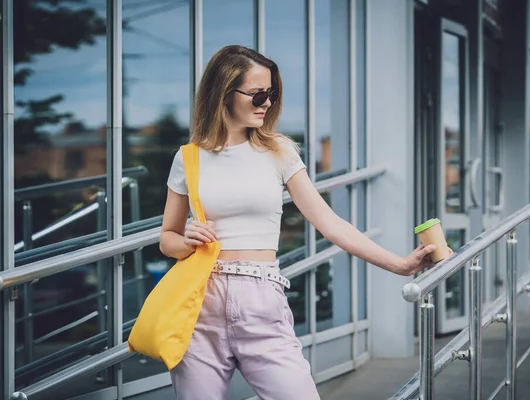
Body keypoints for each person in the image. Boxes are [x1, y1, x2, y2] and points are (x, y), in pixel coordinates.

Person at [160, 45, 440, 400]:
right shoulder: (188, 158)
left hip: (260, 296)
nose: (267, 103)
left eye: (272, 94)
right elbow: (167, 238)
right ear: (224, 93)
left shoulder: (278, 151)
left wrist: (399, 265)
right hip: (200, 302)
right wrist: (186, 240)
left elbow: (330, 223)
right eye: (258, 94)